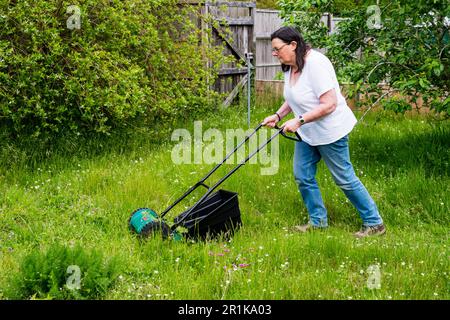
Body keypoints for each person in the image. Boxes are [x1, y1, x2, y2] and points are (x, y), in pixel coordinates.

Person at [262, 26, 385, 238]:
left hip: (330, 131)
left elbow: (329, 104)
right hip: (307, 132)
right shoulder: (291, 66)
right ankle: (318, 222)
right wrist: (278, 115)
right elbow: (294, 97)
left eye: (277, 49)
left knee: (344, 178)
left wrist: (299, 121)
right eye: (273, 50)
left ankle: (375, 223)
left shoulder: (316, 64)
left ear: (293, 45)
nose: (274, 53)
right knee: (303, 175)